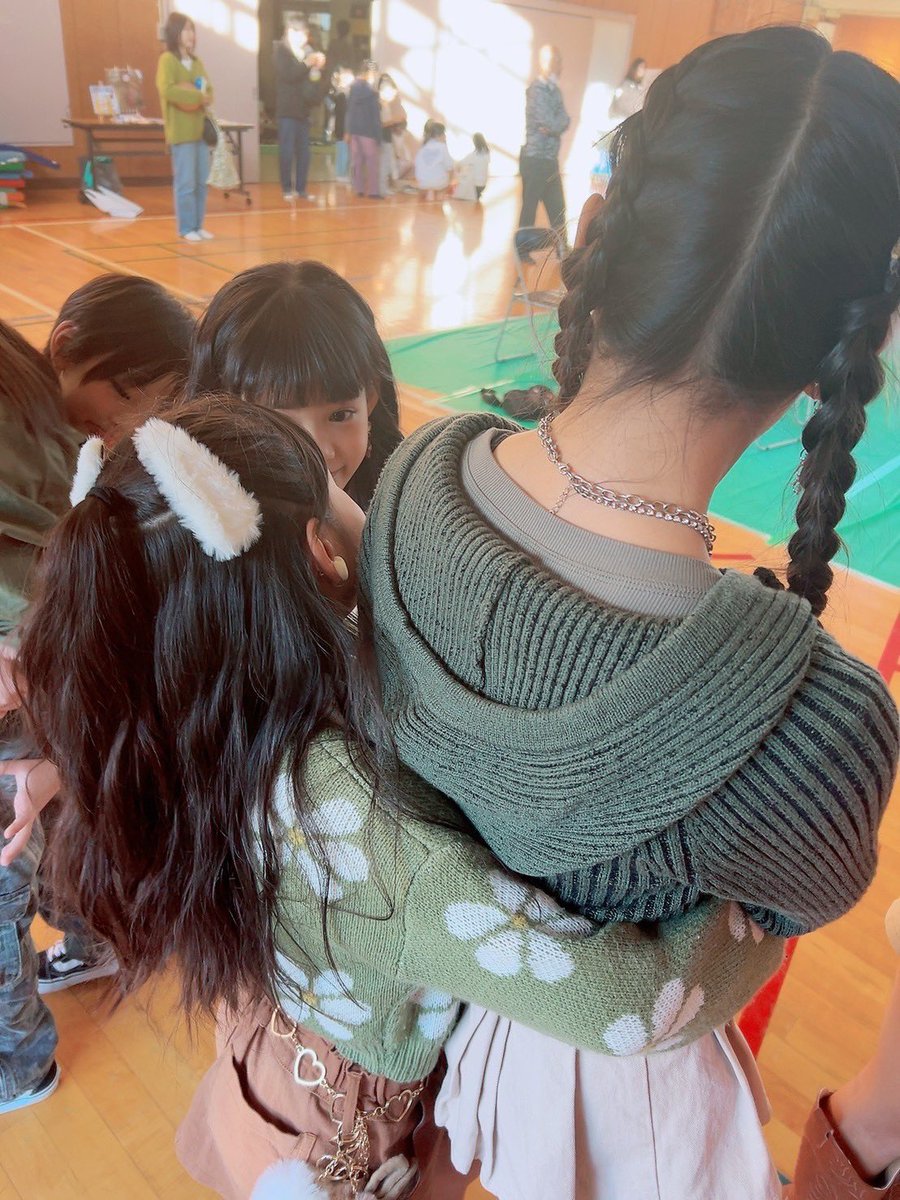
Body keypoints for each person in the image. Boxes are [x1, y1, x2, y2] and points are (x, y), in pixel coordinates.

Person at [360, 26, 900, 1199]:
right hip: (630, 1127)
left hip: (441, 1058)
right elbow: (803, 895)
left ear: (599, 225)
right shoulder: (817, 731)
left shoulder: (408, 484)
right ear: (851, 349)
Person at [14, 397, 780, 1196]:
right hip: (340, 1123)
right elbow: (629, 1006)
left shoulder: (206, 708)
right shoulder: (358, 827)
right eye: (334, 480)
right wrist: (753, 912)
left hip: (272, 1044)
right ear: (322, 550)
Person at [0, 322, 78, 1115]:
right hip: (55, 685)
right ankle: (91, 940)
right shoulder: (17, 367)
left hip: (30, 707)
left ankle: (17, 1064)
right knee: (65, 826)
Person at [185, 261, 401, 510]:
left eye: (340, 415)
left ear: (370, 399)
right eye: (280, 423)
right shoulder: (193, 520)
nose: (319, 453)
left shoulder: (403, 504)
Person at [156, 12, 215, 242]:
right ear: (175, 32)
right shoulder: (167, 60)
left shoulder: (197, 62)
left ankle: (198, 225)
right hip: (181, 133)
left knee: (200, 182)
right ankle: (186, 227)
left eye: (192, 30)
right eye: (186, 29)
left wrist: (202, 96)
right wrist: (197, 97)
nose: (191, 35)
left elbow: (209, 92)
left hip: (199, 132)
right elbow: (168, 90)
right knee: (186, 183)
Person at [517, 44, 569, 244]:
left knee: (558, 209)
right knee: (529, 211)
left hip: (550, 160)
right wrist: (555, 125)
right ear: (545, 63)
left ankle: (563, 250)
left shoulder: (555, 92)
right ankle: (522, 249)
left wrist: (554, 126)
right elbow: (548, 122)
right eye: (557, 61)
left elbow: (564, 120)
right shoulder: (536, 91)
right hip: (535, 160)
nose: (560, 66)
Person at [274, 17, 328, 202]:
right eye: (301, 34)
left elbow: (313, 79)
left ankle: (301, 189)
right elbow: (288, 74)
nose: (304, 38)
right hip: (287, 110)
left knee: (304, 152)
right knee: (287, 151)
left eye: (306, 34)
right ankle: (287, 189)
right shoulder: (281, 50)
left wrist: (318, 68)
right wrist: (307, 63)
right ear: (290, 32)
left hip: (304, 109)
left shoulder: (308, 51)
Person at [347, 61, 382, 199]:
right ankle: (373, 191)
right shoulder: (371, 93)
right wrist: (378, 135)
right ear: (369, 72)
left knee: (357, 162)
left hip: (355, 130)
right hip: (369, 131)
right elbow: (375, 115)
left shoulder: (353, 88)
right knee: (372, 162)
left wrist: (348, 130)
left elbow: (349, 111)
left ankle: (359, 189)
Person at [377, 74, 406, 197]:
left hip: (387, 137)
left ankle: (384, 187)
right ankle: (381, 188)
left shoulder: (386, 104)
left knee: (387, 164)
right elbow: (380, 123)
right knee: (383, 165)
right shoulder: (378, 104)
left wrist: (396, 125)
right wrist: (394, 120)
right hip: (381, 138)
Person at [414, 122, 454, 201]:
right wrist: (450, 182)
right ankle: (440, 196)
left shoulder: (424, 147)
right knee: (450, 171)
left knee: (432, 179)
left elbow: (416, 165)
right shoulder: (442, 147)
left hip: (422, 182)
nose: (445, 136)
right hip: (438, 183)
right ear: (440, 135)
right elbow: (449, 166)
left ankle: (430, 194)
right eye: (444, 134)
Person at [454, 133, 490, 202]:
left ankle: (474, 194)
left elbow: (460, 163)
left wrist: (458, 171)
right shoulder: (487, 153)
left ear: (474, 142)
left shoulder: (473, 155)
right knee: (470, 171)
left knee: (464, 178)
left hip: (475, 186)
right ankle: (477, 194)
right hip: (483, 185)